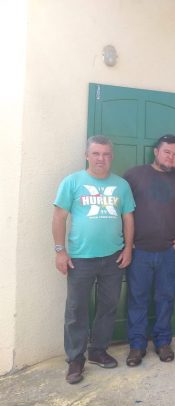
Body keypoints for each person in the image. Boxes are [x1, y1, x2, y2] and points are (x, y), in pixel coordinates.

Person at [52, 135, 135, 384]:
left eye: (106, 154)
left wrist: (128, 248)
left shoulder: (121, 185)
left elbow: (128, 218)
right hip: (80, 259)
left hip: (113, 257)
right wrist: (60, 251)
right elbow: (59, 217)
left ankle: (98, 351)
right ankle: (75, 359)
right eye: (96, 153)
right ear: (87, 155)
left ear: (112, 157)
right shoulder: (72, 182)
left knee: (108, 306)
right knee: (76, 309)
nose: (101, 158)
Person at [123, 134, 175, 366]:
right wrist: (127, 243)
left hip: (168, 253)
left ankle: (163, 342)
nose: (172, 157)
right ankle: (137, 346)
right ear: (156, 152)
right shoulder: (134, 175)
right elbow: (122, 210)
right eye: (167, 152)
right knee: (138, 299)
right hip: (139, 252)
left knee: (166, 299)